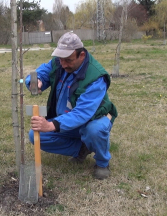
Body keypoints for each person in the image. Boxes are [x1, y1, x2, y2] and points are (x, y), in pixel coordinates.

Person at [25, 32, 118, 180]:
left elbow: (82, 113)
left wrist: (51, 125)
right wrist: (35, 82)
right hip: (66, 119)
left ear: (81, 55)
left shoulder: (96, 77)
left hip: (93, 118)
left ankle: (102, 162)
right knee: (35, 135)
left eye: (68, 60)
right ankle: (81, 149)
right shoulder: (59, 63)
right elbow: (40, 73)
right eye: (61, 59)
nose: (63, 64)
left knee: (94, 130)